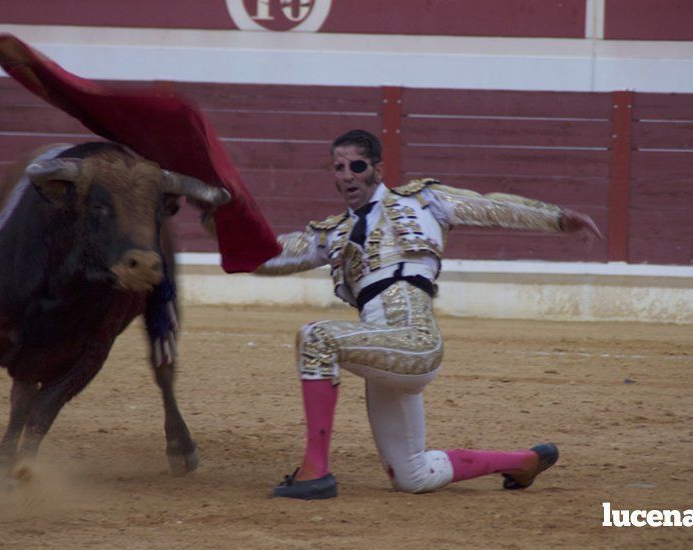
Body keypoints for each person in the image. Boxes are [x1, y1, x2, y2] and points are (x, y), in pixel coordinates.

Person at [252, 129, 602, 499]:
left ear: (377, 168)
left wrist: (557, 219)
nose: (347, 174)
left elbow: (491, 206)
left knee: (316, 338)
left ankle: (314, 473)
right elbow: (265, 256)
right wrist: (220, 218)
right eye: (339, 167)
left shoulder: (422, 200)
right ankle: (522, 461)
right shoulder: (330, 233)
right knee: (412, 475)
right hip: (381, 354)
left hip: (414, 341)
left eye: (357, 165)